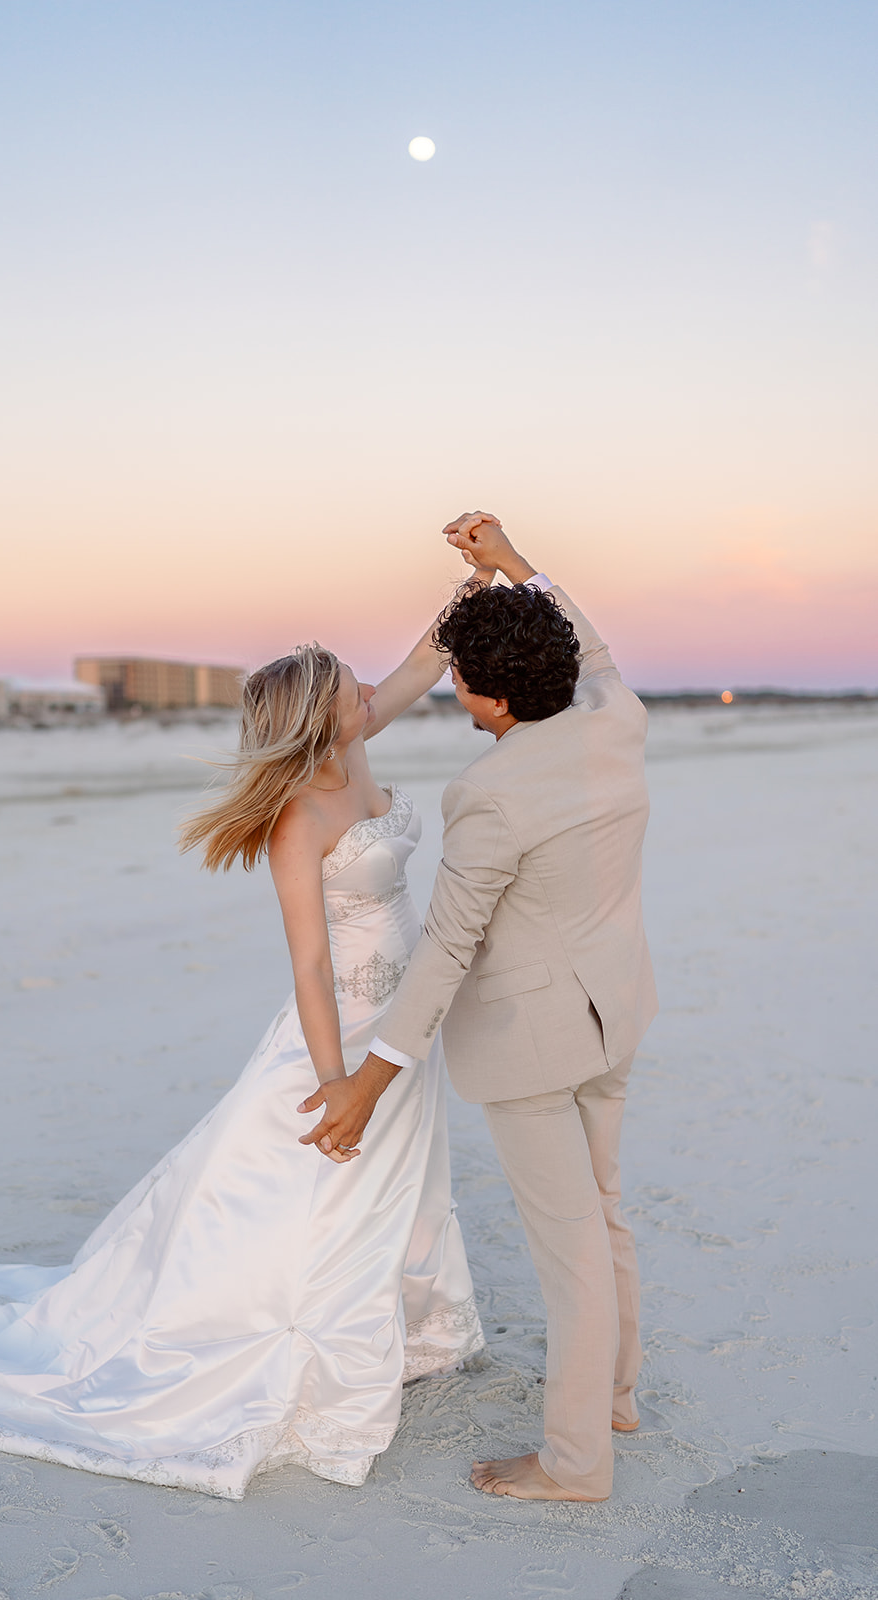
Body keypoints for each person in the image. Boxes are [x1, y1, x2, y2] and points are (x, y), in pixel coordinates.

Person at [0, 562, 487, 1502]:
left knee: (405, 1170)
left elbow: (421, 660)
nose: (367, 689)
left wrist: (480, 574)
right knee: (322, 1181)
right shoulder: (298, 816)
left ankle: (408, 1325)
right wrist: (336, 1081)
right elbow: (308, 967)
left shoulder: (357, 745)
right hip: (343, 1023)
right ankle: (294, 1333)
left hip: (406, 1013)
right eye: (348, 687)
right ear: (319, 716)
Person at [300, 512, 657, 1504]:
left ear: (491, 696)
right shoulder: (616, 718)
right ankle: (616, 1397)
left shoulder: (490, 791)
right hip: (616, 1010)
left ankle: (575, 1463)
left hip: (535, 1044)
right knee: (605, 1215)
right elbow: (590, 648)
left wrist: (370, 1082)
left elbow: (448, 948)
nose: (451, 688)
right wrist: (513, 565)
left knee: (570, 1255)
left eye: (458, 677)